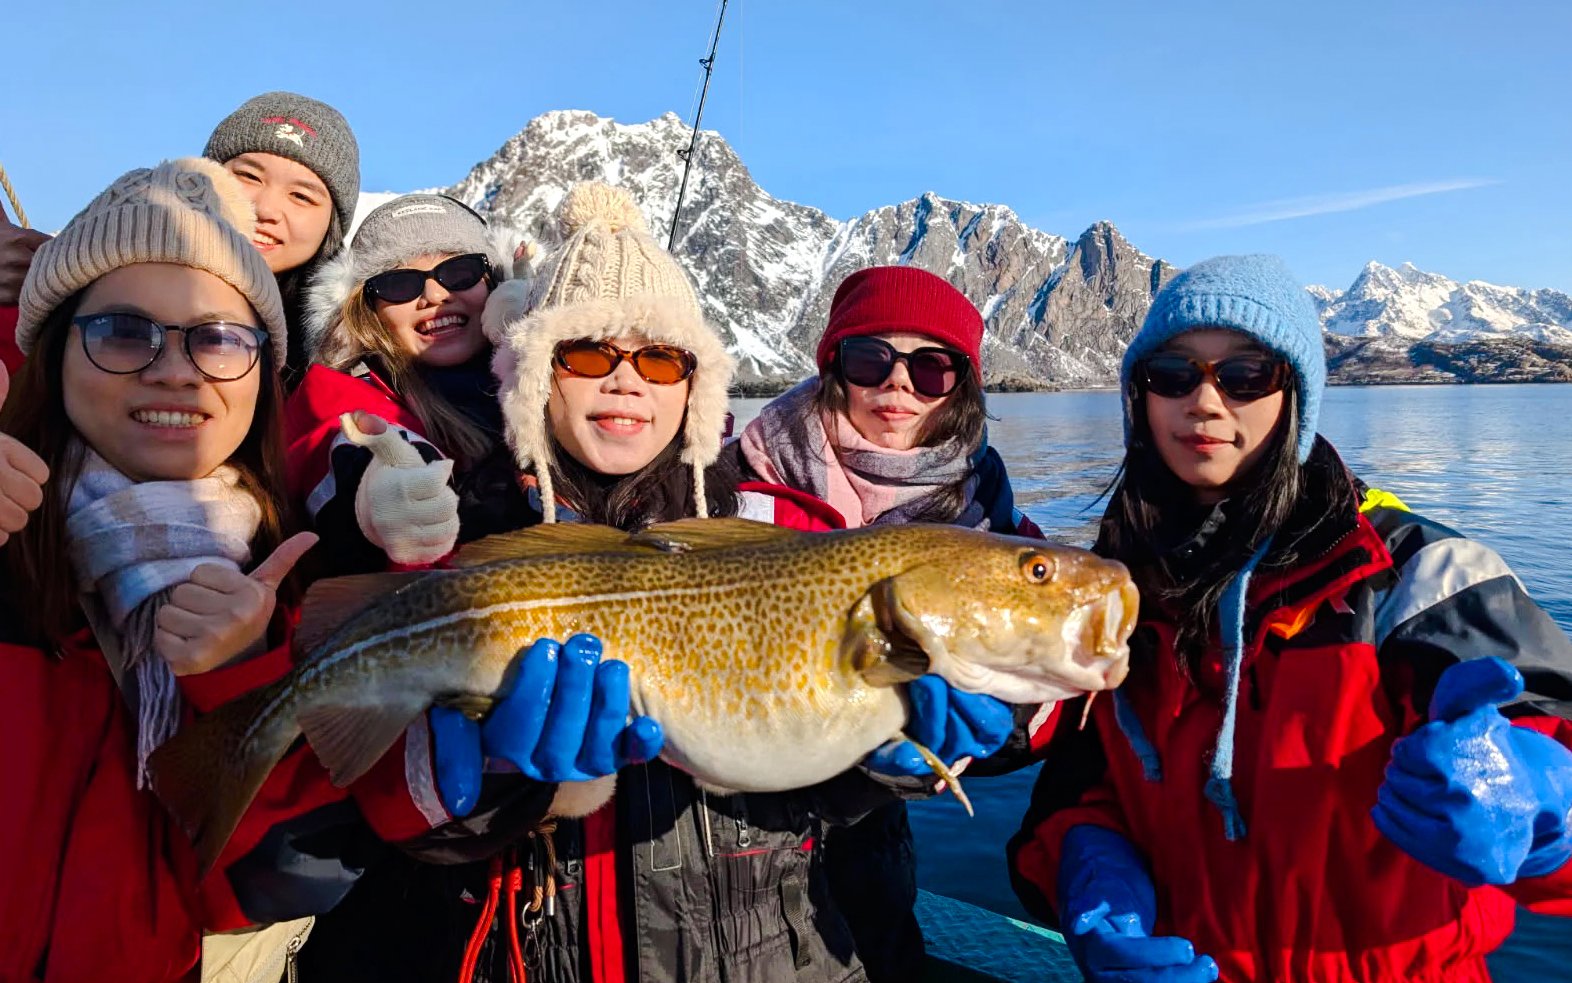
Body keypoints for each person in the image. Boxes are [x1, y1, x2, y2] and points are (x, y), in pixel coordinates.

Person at [297, 182, 1014, 983]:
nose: (626, 381)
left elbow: (819, 786)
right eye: (588, 352)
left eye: (661, 357)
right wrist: (499, 788)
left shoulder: (788, 531)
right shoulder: (463, 532)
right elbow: (383, 801)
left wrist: (884, 757)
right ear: (537, 374)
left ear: (693, 386)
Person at [1008, 254, 1572, 982]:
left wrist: (1545, 802)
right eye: (1173, 375)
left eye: (1245, 376)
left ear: (1296, 397)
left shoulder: (1413, 576)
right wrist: (1086, 867)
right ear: (1140, 398)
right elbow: (1082, 791)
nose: (1205, 402)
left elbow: (1546, 731)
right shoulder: (1116, 593)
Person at [0, 157, 481, 983]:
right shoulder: (15, 553)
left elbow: (283, 880)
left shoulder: (290, 571)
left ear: (262, 372)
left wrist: (237, 676)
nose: (176, 368)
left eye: (220, 337)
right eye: (123, 330)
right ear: (52, 352)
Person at [731, 263, 1045, 980]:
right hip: (737, 839)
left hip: (871, 847)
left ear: (961, 387)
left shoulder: (992, 520)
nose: (899, 383)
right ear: (833, 366)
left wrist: (1011, 715)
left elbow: (1055, 685)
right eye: (871, 358)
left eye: (932, 367)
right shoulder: (733, 483)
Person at [0, 91, 359, 385]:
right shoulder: (89, 286)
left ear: (331, 227)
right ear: (205, 180)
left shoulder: (350, 352)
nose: (266, 208)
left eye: (302, 197)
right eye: (248, 176)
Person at [285, 193, 518, 572]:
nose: (434, 296)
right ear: (367, 311)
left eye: (459, 271)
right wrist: (379, 497)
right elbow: (344, 449)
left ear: (497, 284)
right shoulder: (343, 399)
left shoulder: (560, 383)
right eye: (398, 283)